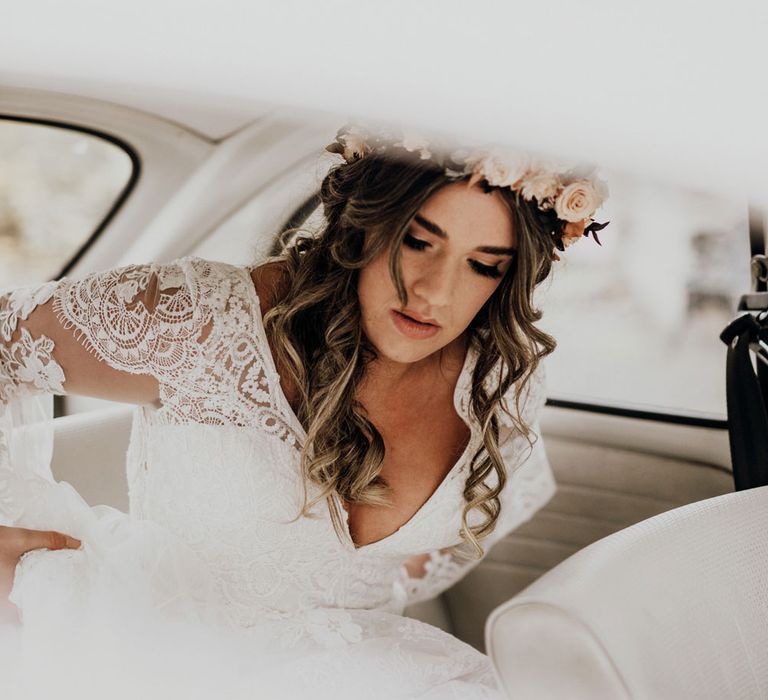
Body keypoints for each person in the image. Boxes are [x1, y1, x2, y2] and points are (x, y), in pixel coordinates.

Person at [0, 123, 609, 699]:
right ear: (364, 222)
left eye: (484, 265)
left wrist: (382, 573)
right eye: (418, 241)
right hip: (160, 668)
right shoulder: (200, 319)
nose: (435, 292)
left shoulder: (500, 381)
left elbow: (461, 523)